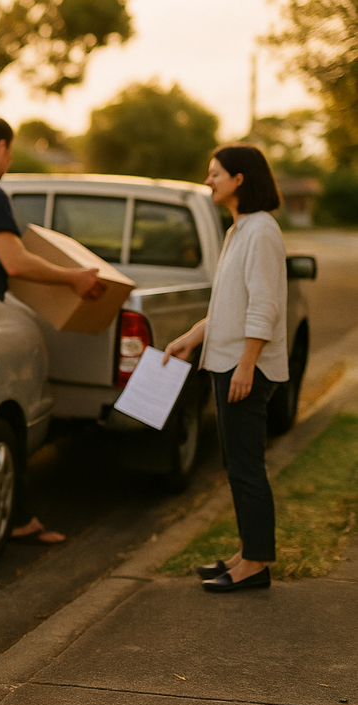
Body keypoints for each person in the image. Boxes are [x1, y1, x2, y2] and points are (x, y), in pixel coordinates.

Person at [0, 115, 106, 545]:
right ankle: (21, 517)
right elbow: (14, 262)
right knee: (11, 419)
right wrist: (72, 278)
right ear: (1, 149)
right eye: (9, 152)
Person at [163, 143, 287, 592]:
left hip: (245, 369)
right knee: (236, 465)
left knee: (246, 466)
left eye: (215, 173)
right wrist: (192, 338)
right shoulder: (240, 230)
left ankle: (255, 565)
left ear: (239, 179)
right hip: (229, 362)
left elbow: (264, 308)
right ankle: (247, 552)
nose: (208, 180)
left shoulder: (262, 232)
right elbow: (230, 306)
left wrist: (246, 365)